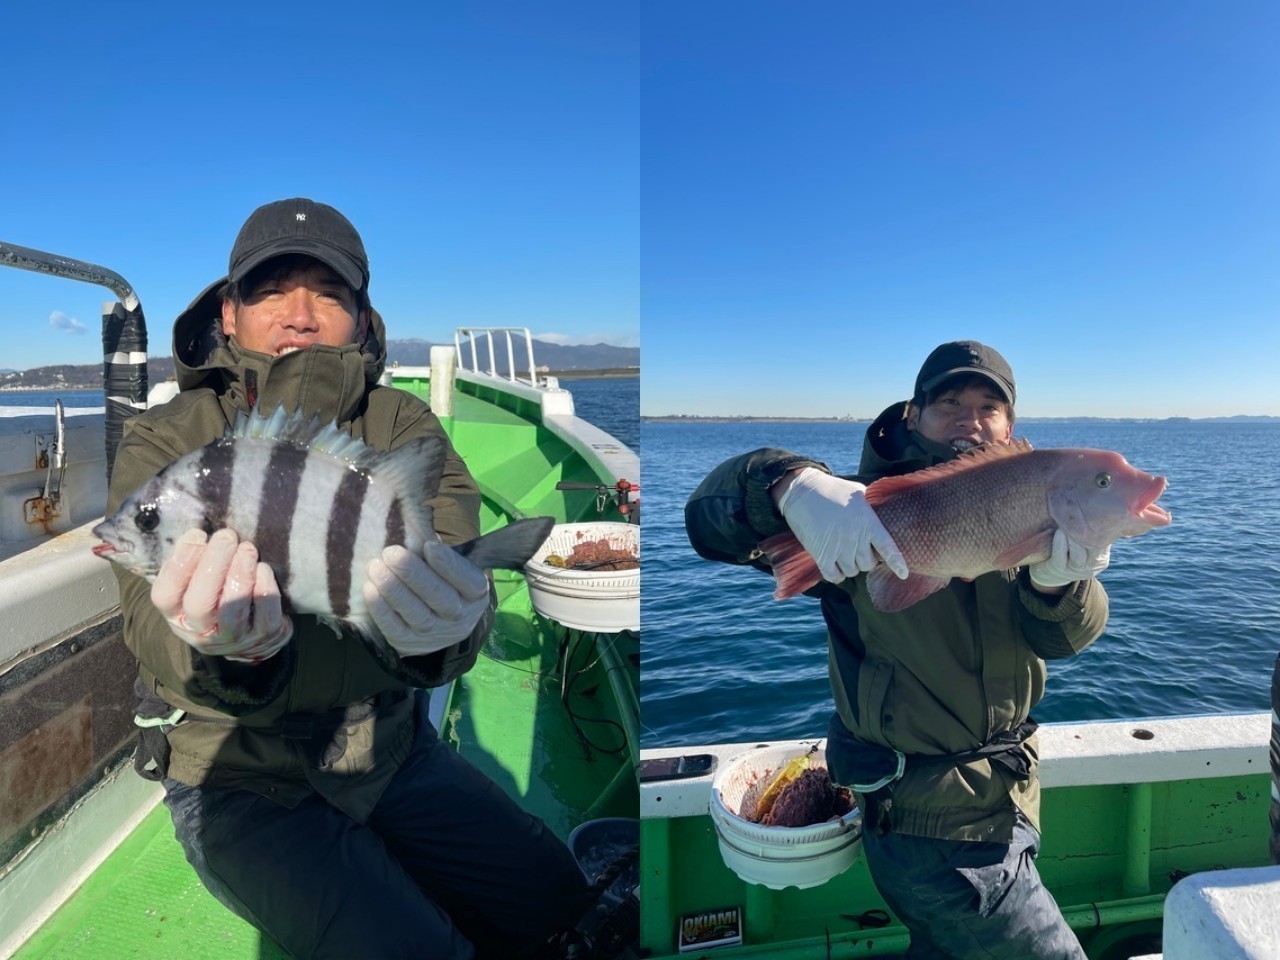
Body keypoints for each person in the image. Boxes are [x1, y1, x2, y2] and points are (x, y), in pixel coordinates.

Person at [107, 198, 591, 959]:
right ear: (228, 314)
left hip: (389, 752)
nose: (300, 314)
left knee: (562, 901)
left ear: (363, 321)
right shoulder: (169, 439)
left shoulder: (401, 425)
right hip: (234, 780)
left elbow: (449, 551)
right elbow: (143, 618)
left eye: (329, 292)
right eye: (271, 289)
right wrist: (216, 649)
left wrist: (447, 635)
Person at [684, 341, 1110, 960]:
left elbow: (1064, 640)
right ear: (913, 416)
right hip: (928, 822)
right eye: (950, 402)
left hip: (1005, 800)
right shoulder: (857, 511)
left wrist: (1062, 583)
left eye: (990, 406)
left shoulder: (1035, 499)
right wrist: (787, 484)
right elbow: (706, 521)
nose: (971, 419)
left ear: (1010, 425)